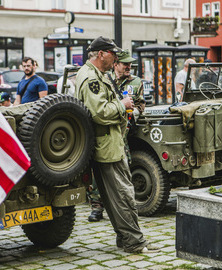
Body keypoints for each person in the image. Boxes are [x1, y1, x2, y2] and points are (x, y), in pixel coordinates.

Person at [75, 36, 159, 253]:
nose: (116, 58)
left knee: (115, 197)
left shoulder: (96, 75)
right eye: (113, 54)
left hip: (108, 144)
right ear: (101, 54)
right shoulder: (91, 78)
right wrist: (122, 104)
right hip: (108, 146)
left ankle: (128, 238)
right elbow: (100, 112)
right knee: (123, 194)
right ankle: (134, 241)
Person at [87, 50, 146, 222]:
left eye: (130, 64)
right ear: (116, 64)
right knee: (98, 169)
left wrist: (134, 112)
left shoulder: (136, 82)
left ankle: (121, 206)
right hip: (107, 130)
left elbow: (141, 104)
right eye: (125, 64)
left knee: (123, 169)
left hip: (123, 133)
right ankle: (97, 206)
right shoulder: (105, 79)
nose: (129, 67)